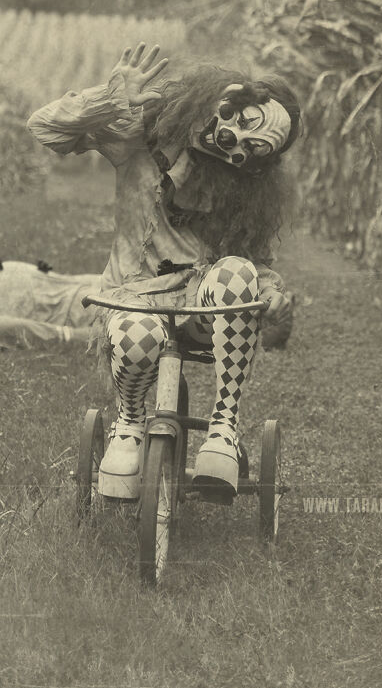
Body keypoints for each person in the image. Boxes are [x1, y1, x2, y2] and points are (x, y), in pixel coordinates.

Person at [28, 43, 300, 500]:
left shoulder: (239, 190)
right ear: (224, 100)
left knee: (235, 272)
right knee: (138, 335)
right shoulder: (145, 137)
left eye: (254, 149)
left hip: (202, 310)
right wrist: (111, 98)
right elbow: (45, 128)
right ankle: (129, 421)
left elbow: (253, 262)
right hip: (133, 296)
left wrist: (269, 290)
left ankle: (223, 428)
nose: (233, 145)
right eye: (241, 124)